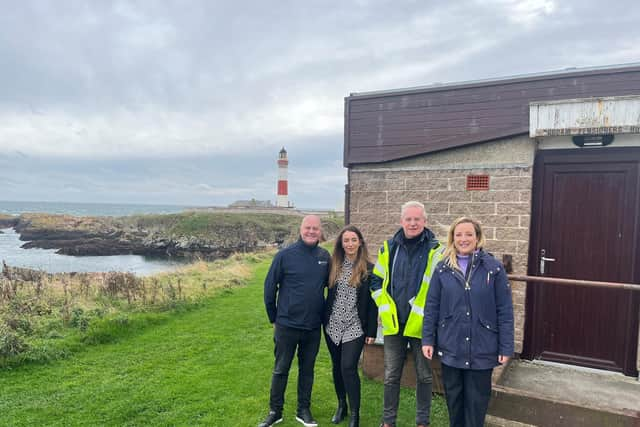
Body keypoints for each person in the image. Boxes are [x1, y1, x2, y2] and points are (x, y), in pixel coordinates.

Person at [421, 217, 514, 427]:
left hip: (483, 348)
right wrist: (428, 339)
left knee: (477, 404)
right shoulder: (442, 269)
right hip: (451, 346)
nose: (464, 239)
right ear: (452, 238)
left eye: (469, 234)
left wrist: (506, 347)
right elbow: (432, 307)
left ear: (478, 237)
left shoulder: (494, 269)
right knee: (454, 403)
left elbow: (505, 312)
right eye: (459, 234)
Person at [370, 201, 444, 427]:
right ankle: (388, 422)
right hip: (395, 324)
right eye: (408, 219)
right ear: (401, 221)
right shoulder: (389, 247)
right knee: (391, 375)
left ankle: (422, 422)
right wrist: (384, 306)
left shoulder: (437, 250)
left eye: (417, 219)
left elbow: (442, 286)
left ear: (425, 221)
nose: (413, 223)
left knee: (424, 376)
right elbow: (376, 281)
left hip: (422, 326)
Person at [259, 215, 330, 427]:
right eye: (308, 228)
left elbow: (331, 288)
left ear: (320, 231)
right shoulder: (285, 255)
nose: (311, 232)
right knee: (281, 369)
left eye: (315, 229)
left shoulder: (325, 257)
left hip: (312, 327)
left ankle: (303, 410)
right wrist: (274, 318)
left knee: (307, 370)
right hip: (286, 325)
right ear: (301, 230)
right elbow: (269, 288)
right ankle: (275, 411)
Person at [323, 225, 378, 427]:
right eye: (346, 240)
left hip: (355, 326)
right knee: (337, 367)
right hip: (332, 325)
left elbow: (373, 303)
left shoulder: (370, 269)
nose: (350, 244)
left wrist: (371, 330)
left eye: (353, 240)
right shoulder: (333, 265)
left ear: (360, 242)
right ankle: (341, 406)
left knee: (348, 367)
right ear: (341, 244)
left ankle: (355, 414)